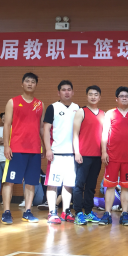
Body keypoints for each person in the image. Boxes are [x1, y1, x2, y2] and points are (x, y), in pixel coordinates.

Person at [1, 72, 44, 224]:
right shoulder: (13, 102)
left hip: (34, 149)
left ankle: (27, 212)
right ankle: (6, 212)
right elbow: (7, 124)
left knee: (31, 182)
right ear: (22, 84)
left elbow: (41, 128)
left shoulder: (40, 104)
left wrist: (45, 146)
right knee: (9, 181)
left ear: (36, 85)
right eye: (27, 81)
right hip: (16, 149)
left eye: (33, 81)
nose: (30, 84)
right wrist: (6, 146)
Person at [99, 86, 128, 226]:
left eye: (126, 96)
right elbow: (104, 133)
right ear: (116, 99)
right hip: (112, 156)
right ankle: (107, 214)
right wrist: (104, 152)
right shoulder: (110, 113)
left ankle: (125, 214)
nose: (124, 98)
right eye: (121, 96)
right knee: (110, 186)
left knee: (126, 186)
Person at [43, 80, 79, 224]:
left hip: (71, 154)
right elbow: (46, 130)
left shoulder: (77, 108)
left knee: (68, 184)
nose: (66, 92)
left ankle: (66, 211)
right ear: (59, 93)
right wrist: (47, 149)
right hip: (56, 153)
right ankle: (52, 212)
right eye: (63, 90)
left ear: (73, 92)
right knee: (53, 183)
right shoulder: (53, 107)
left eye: (69, 89)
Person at [72, 85, 105, 225]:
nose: (93, 97)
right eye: (90, 94)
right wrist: (77, 152)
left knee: (91, 186)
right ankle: (78, 213)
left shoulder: (103, 114)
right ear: (87, 96)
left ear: (100, 97)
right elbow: (75, 134)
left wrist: (104, 152)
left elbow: (104, 136)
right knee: (79, 185)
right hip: (83, 155)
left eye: (96, 94)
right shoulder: (81, 111)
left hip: (97, 156)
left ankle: (88, 212)